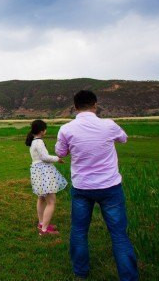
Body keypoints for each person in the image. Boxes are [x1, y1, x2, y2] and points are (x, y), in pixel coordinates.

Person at [55, 90, 138, 280]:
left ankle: (80, 273)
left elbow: (61, 152)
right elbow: (123, 139)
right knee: (118, 235)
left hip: (82, 188)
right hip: (110, 187)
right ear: (95, 105)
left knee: (79, 231)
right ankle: (129, 277)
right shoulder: (108, 125)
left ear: (75, 108)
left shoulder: (66, 129)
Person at [26, 119, 68, 236]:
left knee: (41, 198)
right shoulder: (38, 142)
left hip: (38, 172)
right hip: (43, 172)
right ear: (42, 131)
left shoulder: (34, 141)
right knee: (51, 201)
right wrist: (57, 158)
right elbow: (44, 157)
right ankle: (44, 230)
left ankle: (41, 223)